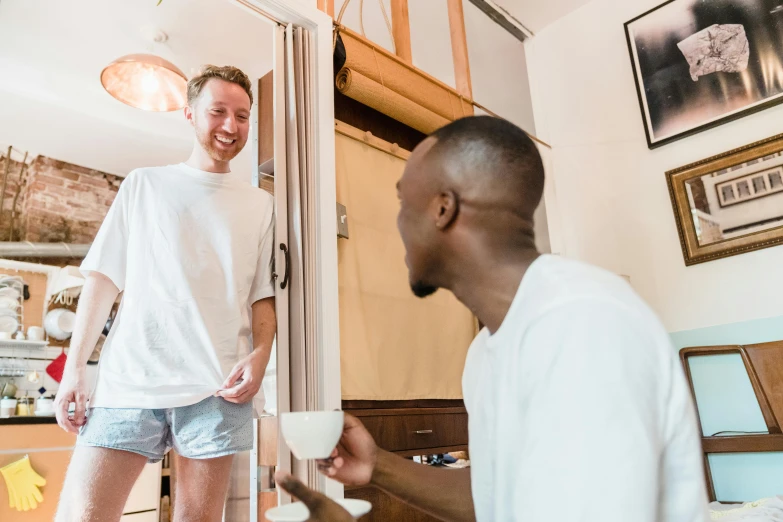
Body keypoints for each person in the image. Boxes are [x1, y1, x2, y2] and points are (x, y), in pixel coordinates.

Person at [275, 116, 708, 521]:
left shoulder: (582, 323)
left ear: (443, 209)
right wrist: (379, 467)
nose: (399, 223)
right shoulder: (485, 352)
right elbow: (500, 497)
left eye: (403, 201)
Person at [54, 65, 276, 522]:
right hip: (130, 381)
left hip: (218, 388)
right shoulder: (144, 184)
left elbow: (262, 294)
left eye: (242, 115)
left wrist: (261, 354)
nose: (231, 126)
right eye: (218, 112)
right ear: (190, 114)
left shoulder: (261, 204)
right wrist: (75, 368)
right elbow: (103, 278)